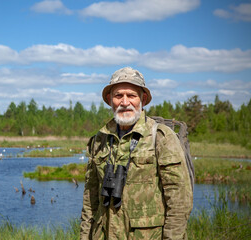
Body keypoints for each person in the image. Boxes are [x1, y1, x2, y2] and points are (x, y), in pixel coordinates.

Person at [80, 67, 193, 240]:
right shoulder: (99, 141)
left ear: (143, 99)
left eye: (131, 95)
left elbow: (179, 201)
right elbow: (90, 200)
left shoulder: (161, 138)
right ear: (110, 100)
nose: (125, 102)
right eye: (118, 96)